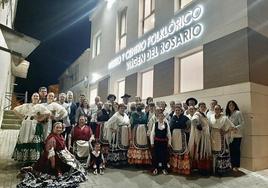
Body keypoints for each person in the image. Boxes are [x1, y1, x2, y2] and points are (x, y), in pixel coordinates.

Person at [17, 122, 87, 188]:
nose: (59, 129)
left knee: (74, 165)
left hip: (62, 156)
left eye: (60, 128)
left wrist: (70, 154)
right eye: (57, 127)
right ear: (53, 128)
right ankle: (29, 169)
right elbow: (50, 153)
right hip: (53, 158)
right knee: (55, 173)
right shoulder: (52, 138)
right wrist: (53, 164)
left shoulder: (61, 136)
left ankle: (32, 168)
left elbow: (64, 147)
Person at [12, 93, 50, 164]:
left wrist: (40, 119)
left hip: (34, 125)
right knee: (23, 139)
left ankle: (34, 159)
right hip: (25, 125)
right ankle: (24, 158)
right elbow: (14, 109)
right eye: (34, 96)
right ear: (31, 97)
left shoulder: (40, 106)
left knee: (34, 140)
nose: (35, 97)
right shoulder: (26, 105)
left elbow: (48, 113)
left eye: (37, 96)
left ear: (39, 98)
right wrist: (22, 117)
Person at [209, 105, 234, 175]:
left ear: (220, 110)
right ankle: (213, 169)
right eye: (215, 109)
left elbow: (232, 127)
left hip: (221, 137)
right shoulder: (211, 117)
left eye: (218, 109)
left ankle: (221, 170)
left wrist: (225, 132)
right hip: (213, 136)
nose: (216, 110)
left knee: (222, 153)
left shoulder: (224, 118)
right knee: (213, 153)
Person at [188, 102, 212, 175]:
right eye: (201, 106)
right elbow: (194, 120)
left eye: (204, 107)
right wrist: (199, 127)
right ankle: (200, 168)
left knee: (204, 151)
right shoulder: (197, 114)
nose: (203, 108)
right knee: (200, 151)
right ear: (198, 107)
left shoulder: (204, 115)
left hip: (205, 136)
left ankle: (204, 167)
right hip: (200, 136)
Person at [169, 105, 191, 175]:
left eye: (179, 110)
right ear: (175, 111)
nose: (177, 111)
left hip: (182, 135)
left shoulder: (185, 118)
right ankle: (175, 167)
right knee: (175, 150)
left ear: (181, 111)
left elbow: (189, 124)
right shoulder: (173, 118)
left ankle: (182, 167)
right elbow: (170, 127)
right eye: (176, 110)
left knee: (183, 150)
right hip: (174, 136)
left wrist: (187, 130)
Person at [150, 110, 171, 175]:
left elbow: (169, 134)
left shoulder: (166, 124)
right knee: (156, 155)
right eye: (160, 116)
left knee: (164, 156)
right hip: (157, 142)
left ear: (164, 117)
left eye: (162, 116)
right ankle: (155, 168)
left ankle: (164, 168)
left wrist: (169, 142)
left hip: (164, 143)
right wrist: (152, 142)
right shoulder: (155, 124)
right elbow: (152, 134)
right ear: (158, 117)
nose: (161, 117)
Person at [225, 100, 244, 172]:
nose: (231, 106)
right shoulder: (227, 115)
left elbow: (242, 123)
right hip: (229, 135)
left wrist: (235, 127)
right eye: (229, 105)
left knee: (236, 151)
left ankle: (236, 166)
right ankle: (232, 165)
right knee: (231, 151)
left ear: (235, 105)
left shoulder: (238, 113)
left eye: (232, 105)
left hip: (237, 135)